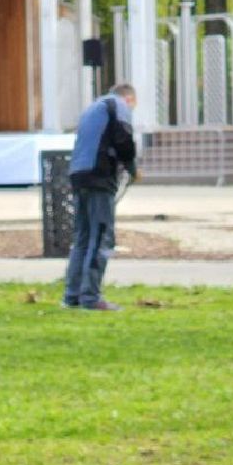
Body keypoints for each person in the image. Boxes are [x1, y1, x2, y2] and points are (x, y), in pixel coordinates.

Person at [64, 83, 138, 312]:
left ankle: (72, 295)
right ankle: (91, 297)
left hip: (79, 174)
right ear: (129, 98)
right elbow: (124, 139)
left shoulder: (92, 108)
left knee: (83, 237)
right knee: (101, 236)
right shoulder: (118, 105)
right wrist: (132, 167)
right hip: (100, 175)